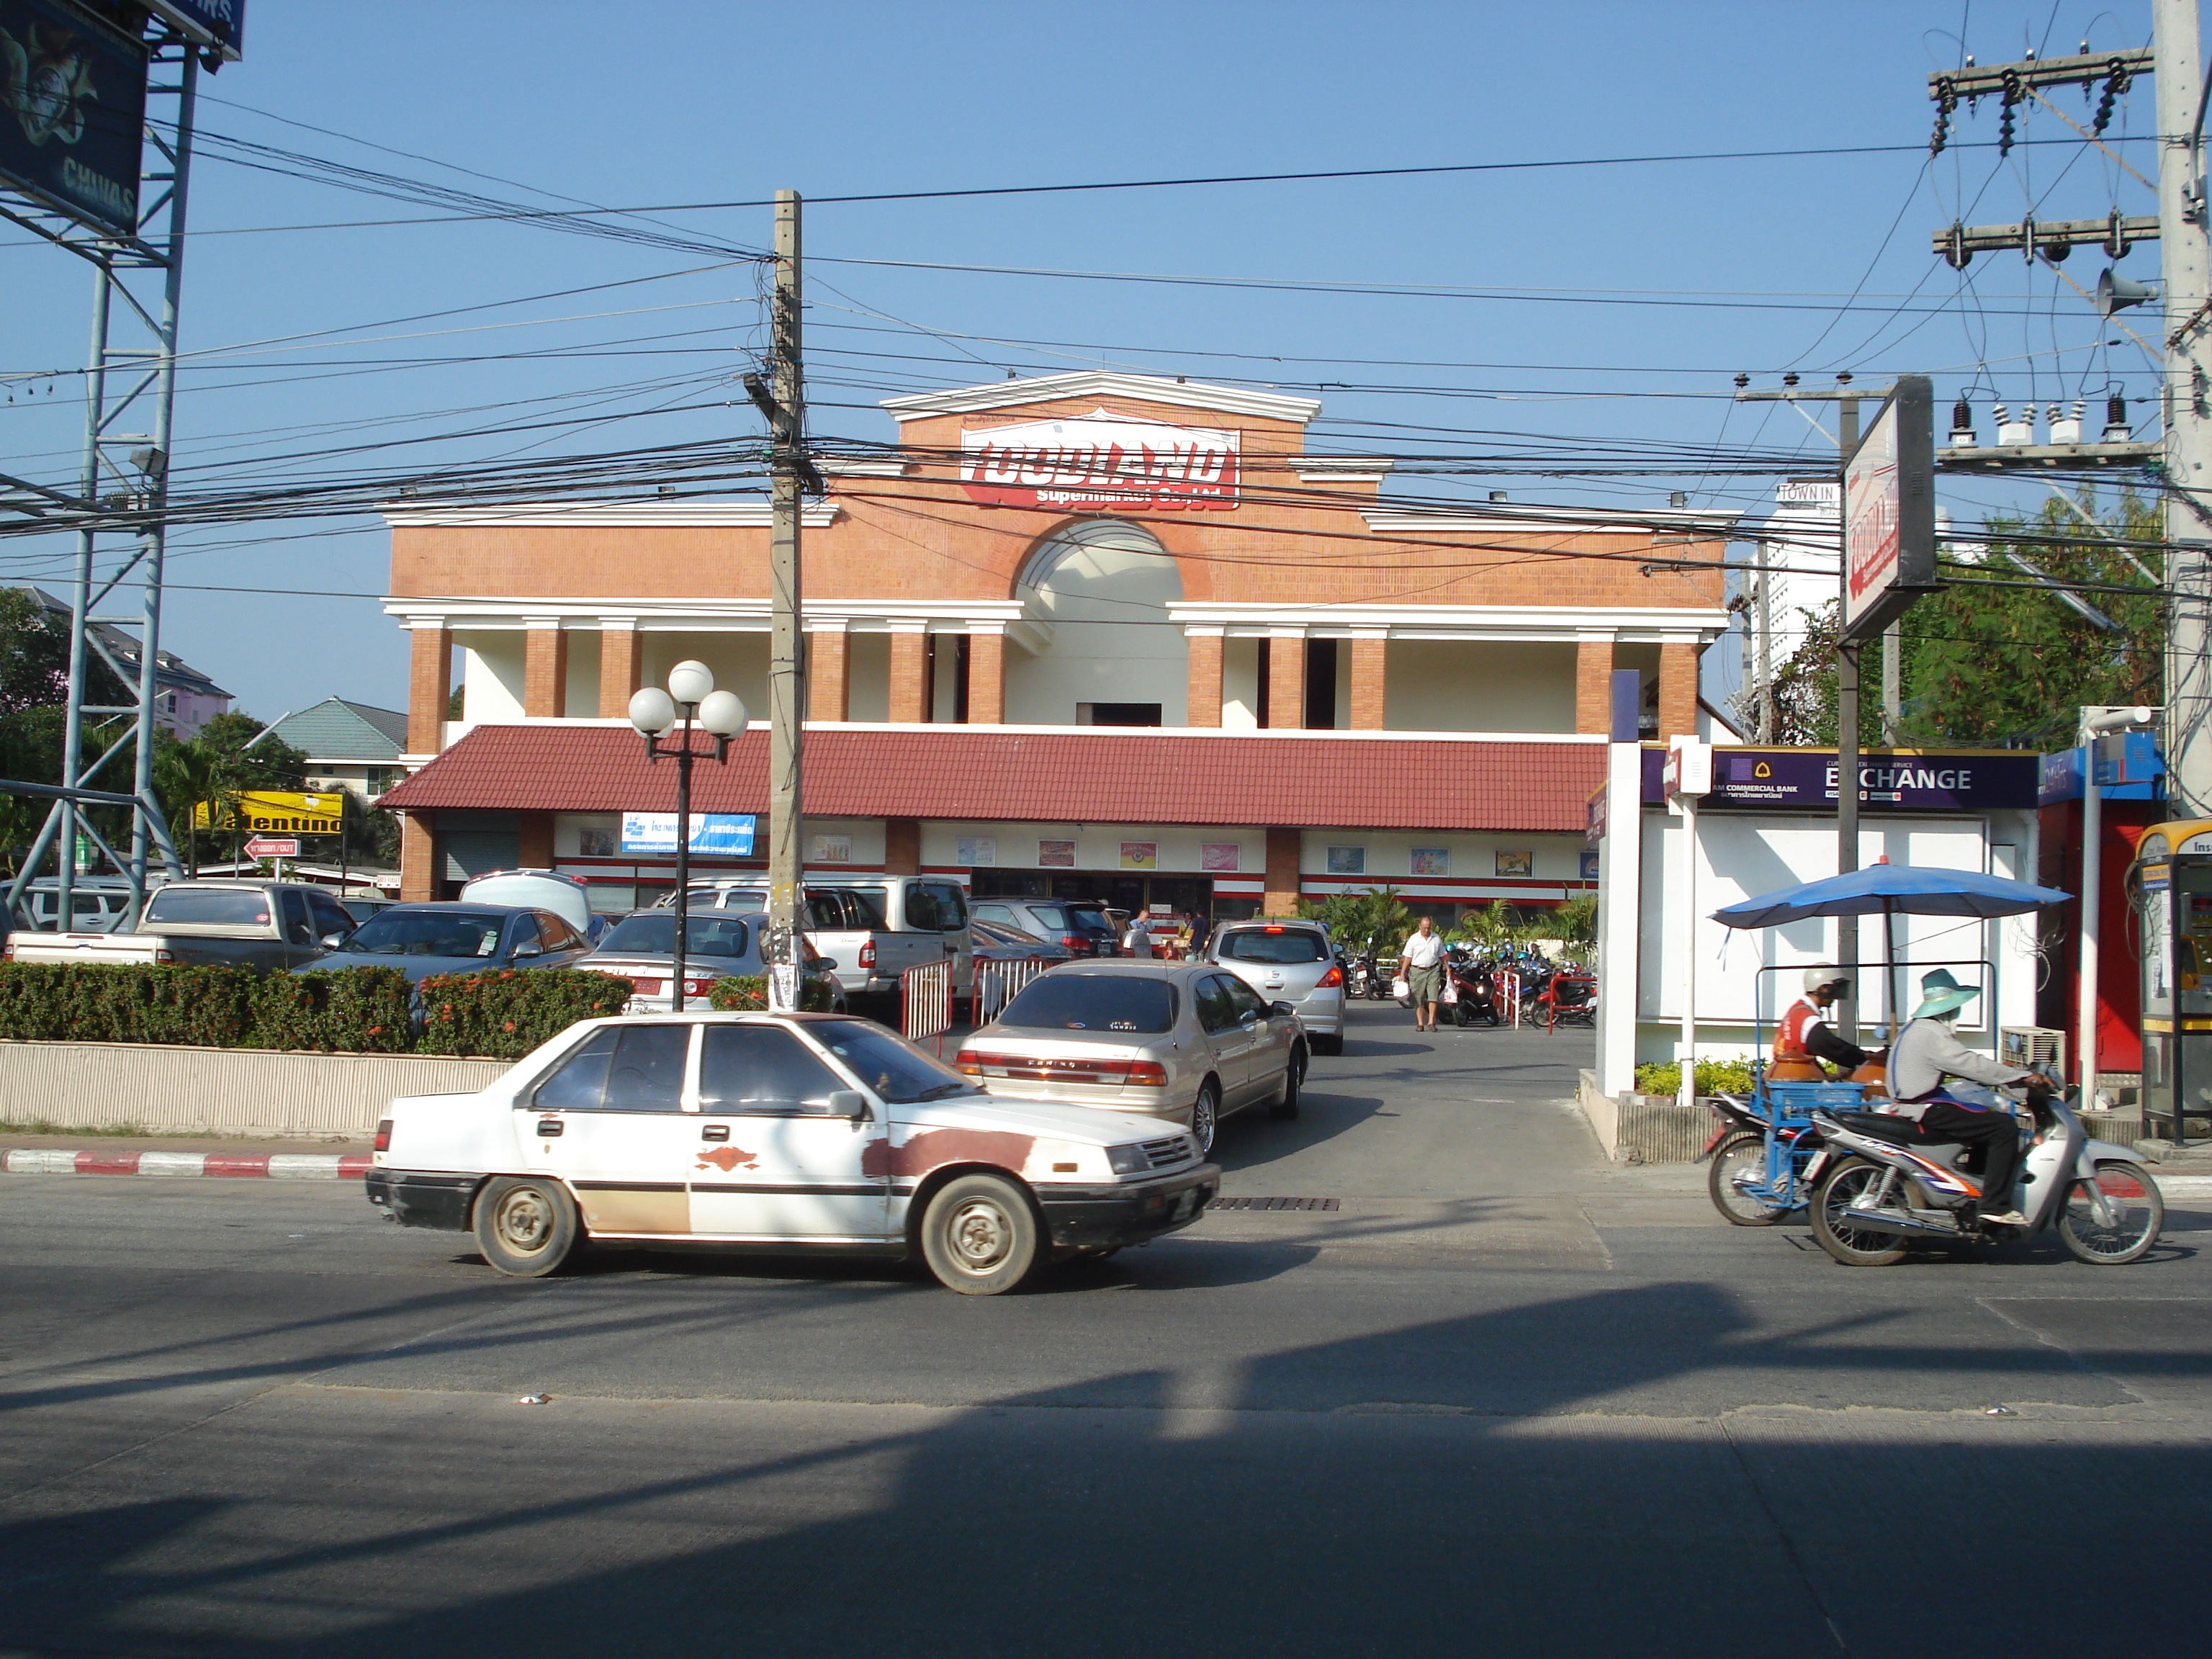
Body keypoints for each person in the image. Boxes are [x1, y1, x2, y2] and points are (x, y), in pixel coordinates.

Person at [1887, 968, 2060, 1228]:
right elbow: (1971, 1064)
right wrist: (2023, 1077)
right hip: (1924, 1107)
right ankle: (1994, 1205)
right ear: (1947, 1008)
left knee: (1985, 1120)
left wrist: (2015, 1083)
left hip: (1916, 1103)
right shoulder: (1933, 1034)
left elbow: (1969, 1069)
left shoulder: (1914, 1028)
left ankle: (1976, 1190)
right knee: (2003, 1128)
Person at [1776, 968, 1869, 1079]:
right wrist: (1866, 1058)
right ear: (1823, 988)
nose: (1835, 997)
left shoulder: (1796, 1010)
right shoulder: (1808, 1019)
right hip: (1796, 1081)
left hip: (1783, 1074)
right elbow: (1836, 1049)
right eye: (1834, 990)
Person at [1401, 914, 1448, 1033]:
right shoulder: (1414, 939)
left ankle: (1431, 1022)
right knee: (1418, 998)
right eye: (1424, 928)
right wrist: (1402, 974)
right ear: (1420, 926)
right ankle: (1420, 1023)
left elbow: (1442, 955)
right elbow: (1407, 957)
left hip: (1433, 970)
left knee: (1433, 997)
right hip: (1417, 971)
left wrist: (1448, 968)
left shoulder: (1436, 938)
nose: (1426, 930)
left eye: (1428, 928)